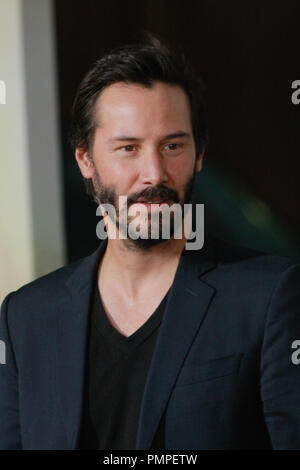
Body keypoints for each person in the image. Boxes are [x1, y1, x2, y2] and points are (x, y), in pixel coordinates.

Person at [0, 35, 300, 451]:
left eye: (173, 145)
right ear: (86, 159)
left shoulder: (268, 295)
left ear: (198, 154)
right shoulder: (26, 316)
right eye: (128, 148)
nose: (154, 174)